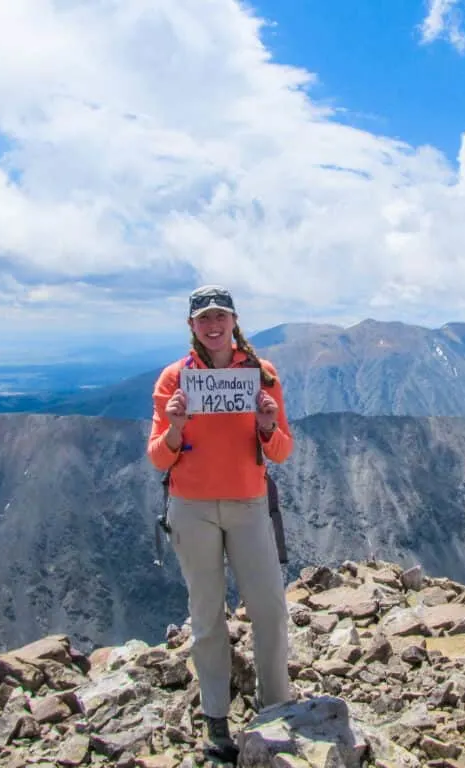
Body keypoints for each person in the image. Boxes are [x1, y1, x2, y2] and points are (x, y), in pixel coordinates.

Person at [147, 284, 294, 762]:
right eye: (204, 319)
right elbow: (157, 457)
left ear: (234, 322)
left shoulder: (261, 374)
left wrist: (268, 425)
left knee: (269, 608)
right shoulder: (174, 379)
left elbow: (282, 450)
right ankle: (216, 721)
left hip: (249, 505)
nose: (213, 326)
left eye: (221, 317)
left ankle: (277, 706)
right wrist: (174, 426)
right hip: (191, 508)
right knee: (207, 614)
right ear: (192, 326)